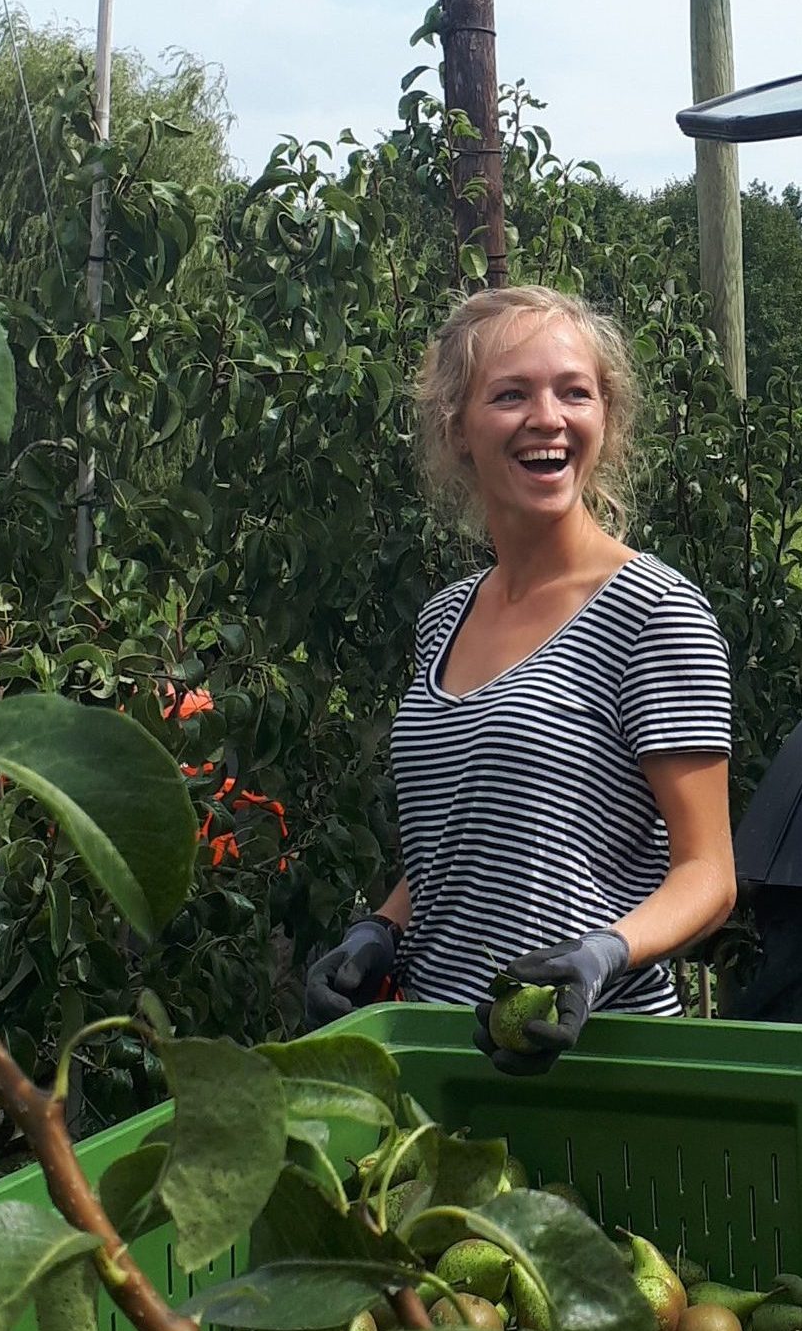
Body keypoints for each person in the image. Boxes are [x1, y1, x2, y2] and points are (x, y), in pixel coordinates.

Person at [304, 285, 737, 1072]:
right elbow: (473, 832)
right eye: (511, 394)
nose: (548, 417)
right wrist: (382, 929)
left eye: (575, 392)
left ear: (604, 418)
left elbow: (708, 873)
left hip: (597, 1054)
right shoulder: (445, 617)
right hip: (450, 1051)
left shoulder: (654, 611)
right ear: (457, 428)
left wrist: (603, 955)